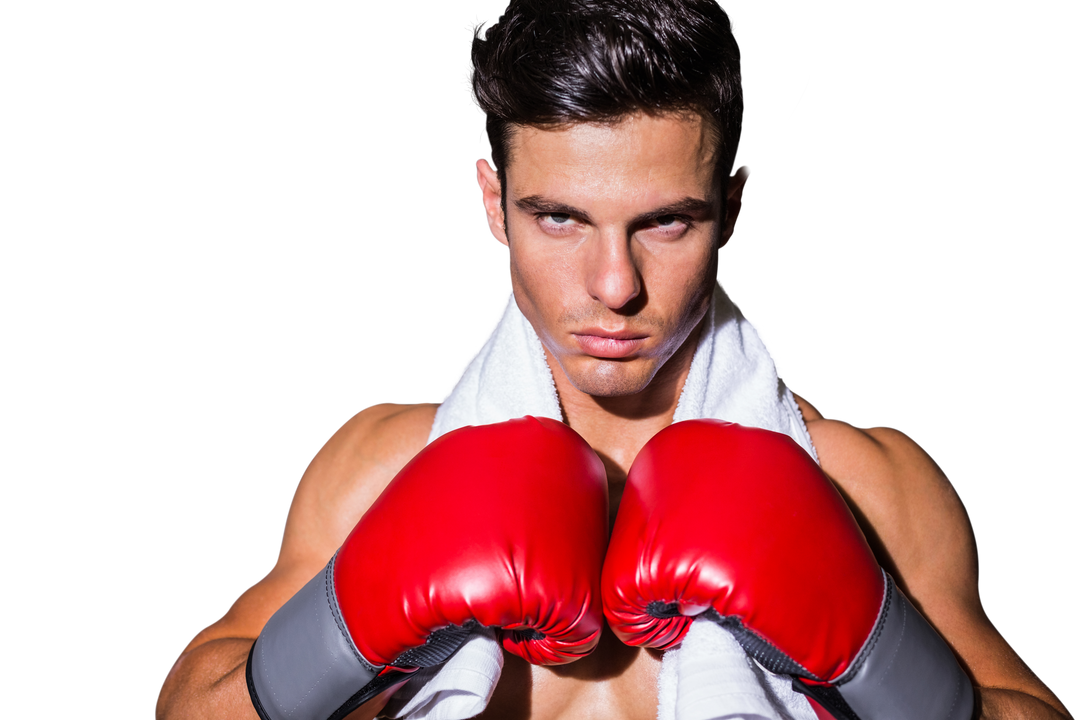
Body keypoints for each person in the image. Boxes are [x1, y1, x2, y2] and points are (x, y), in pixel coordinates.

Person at [154, 1, 1072, 718]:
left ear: (735, 208)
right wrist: (347, 644)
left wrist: (878, 663)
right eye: (559, 217)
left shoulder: (867, 484)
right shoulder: (382, 467)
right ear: (491, 201)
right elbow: (190, 704)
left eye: (666, 221)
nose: (614, 284)